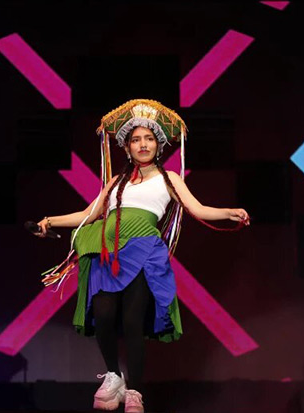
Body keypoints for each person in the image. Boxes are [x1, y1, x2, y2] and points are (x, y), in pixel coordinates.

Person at [33, 99, 249, 412]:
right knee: (104, 314)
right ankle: (113, 375)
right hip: (108, 254)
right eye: (136, 139)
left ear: (158, 145)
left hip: (144, 253)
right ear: (127, 147)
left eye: (148, 138)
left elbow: (198, 209)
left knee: (133, 321)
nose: (142, 144)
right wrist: (50, 220)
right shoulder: (116, 182)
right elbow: (88, 214)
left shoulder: (169, 178)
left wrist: (228, 212)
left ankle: (135, 391)